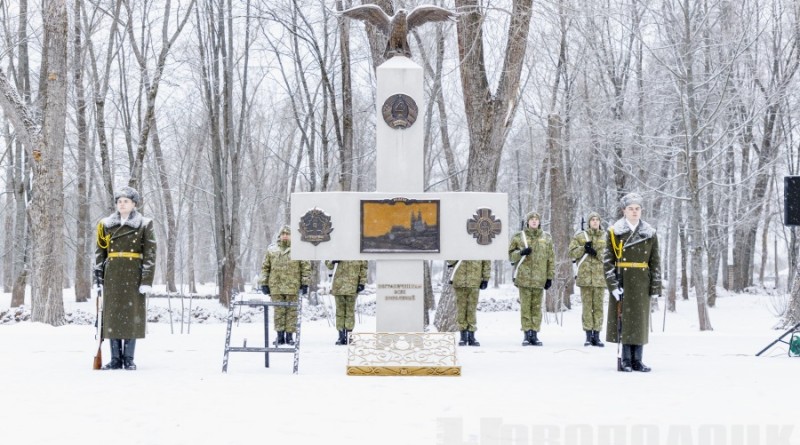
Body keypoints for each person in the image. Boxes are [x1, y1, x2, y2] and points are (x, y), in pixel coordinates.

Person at [94, 186, 157, 370]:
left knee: (131, 316)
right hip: (112, 274)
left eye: (126, 201)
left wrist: (146, 281)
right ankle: (115, 359)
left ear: (134, 204)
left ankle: (128, 358)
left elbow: (150, 254)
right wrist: (98, 274)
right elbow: (100, 251)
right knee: (112, 316)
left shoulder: (145, 224)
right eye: (119, 201)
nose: (122, 204)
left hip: (133, 274)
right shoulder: (105, 224)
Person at [603, 193, 662, 372]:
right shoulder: (615, 232)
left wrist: (655, 286)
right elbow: (607, 262)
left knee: (640, 320)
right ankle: (626, 359)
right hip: (624, 280)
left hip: (642, 281)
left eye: (637, 209)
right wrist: (612, 286)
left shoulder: (650, 233)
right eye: (631, 209)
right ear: (624, 211)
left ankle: (638, 359)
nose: (634, 212)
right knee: (625, 320)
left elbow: (655, 261)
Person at [508, 211, 554, 346]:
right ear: (527, 222)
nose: (534, 221)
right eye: (531, 219)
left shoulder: (546, 237)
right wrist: (521, 252)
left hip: (540, 278)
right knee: (526, 308)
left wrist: (549, 277)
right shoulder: (519, 237)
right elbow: (510, 256)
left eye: (536, 219)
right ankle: (526, 334)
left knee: (537, 308)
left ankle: (535, 334)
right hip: (524, 278)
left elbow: (551, 258)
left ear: (539, 222)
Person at [259, 226, 311, 346]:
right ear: (279, 235)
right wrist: (264, 283)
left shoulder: (299, 249)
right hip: (276, 287)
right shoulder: (272, 250)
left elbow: (306, 268)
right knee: (278, 312)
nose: (285, 235)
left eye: (288, 233)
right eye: (283, 233)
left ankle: (290, 336)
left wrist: (305, 283)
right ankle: (280, 336)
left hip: (292, 287)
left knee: (292, 312)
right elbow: (265, 267)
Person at [569, 212, 607, 347]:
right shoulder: (580, 237)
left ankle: (597, 335)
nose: (595, 222)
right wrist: (584, 248)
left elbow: (610, 257)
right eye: (592, 220)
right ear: (589, 222)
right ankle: (588, 335)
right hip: (585, 278)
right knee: (587, 307)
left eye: (597, 220)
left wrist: (596, 253)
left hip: (600, 278)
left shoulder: (606, 237)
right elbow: (572, 253)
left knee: (598, 308)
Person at [447, 260, 491, 346]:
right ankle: (463, 336)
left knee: (472, 310)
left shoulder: (480, 246)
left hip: (474, 281)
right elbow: (449, 260)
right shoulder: (456, 246)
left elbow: (486, 261)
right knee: (461, 310)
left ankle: (472, 336)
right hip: (460, 281)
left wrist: (486, 279)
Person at [324, 260, 368, 345]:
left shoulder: (358, 250)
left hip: (352, 285)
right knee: (340, 312)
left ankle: (348, 336)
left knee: (350, 312)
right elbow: (328, 263)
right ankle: (341, 336)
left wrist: (362, 283)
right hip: (338, 286)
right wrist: (332, 261)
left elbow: (364, 267)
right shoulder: (337, 248)